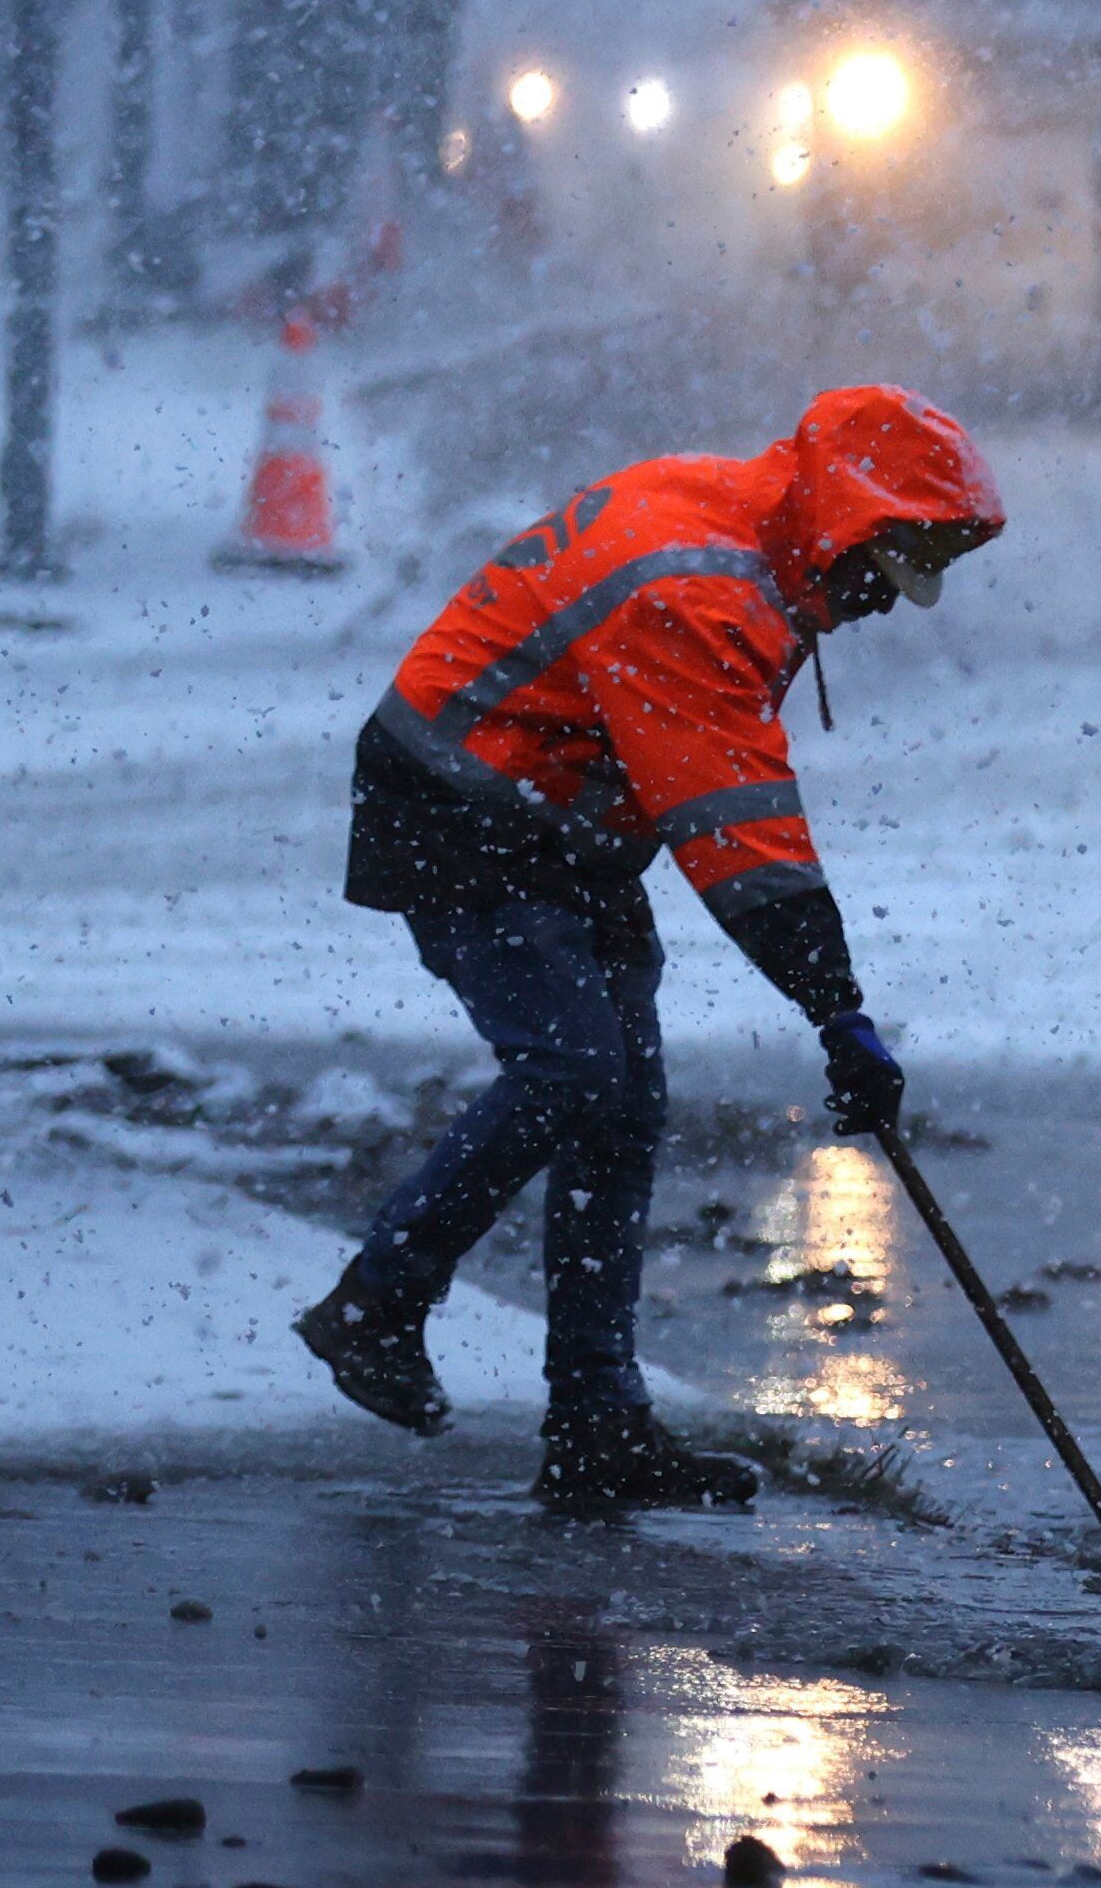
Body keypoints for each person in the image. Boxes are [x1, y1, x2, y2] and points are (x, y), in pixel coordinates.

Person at [290, 386, 1002, 1514]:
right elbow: (739, 834)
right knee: (574, 1072)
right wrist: (836, 1013)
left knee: (619, 1105)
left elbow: (725, 804)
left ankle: (596, 1429)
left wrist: (834, 1006)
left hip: (559, 814)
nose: (889, 603)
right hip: (463, 805)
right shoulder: (698, 590)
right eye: (894, 566)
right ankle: (377, 1303)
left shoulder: (748, 524)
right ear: (852, 518)